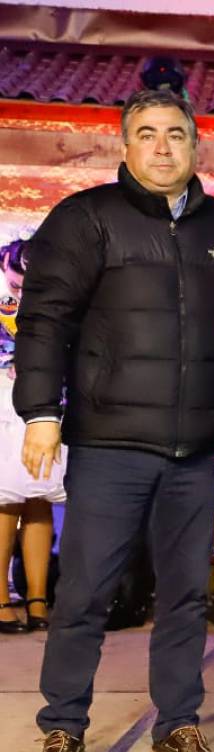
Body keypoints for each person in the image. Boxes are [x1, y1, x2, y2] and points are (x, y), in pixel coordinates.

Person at [15, 89, 214, 752]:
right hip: (110, 444)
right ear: (125, 146)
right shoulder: (86, 218)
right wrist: (41, 411)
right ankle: (63, 727)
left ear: (195, 148)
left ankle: (176, 726)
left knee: (185, 596)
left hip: (191, 447)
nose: (162, 148)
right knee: (86, 591)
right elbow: (45, 320)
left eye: (175, 135)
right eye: (147, 134)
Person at [0, 239, 65, 634]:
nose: (21, 290)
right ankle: (2, 598)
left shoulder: (55, 299)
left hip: (47, 401)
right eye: (16, 281)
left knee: (39, 494)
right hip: (3, 402)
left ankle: (39, 597)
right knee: (4, 498)